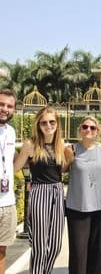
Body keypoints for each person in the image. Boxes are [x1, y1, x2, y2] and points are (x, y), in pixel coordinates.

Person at [14, 106, 69, 274]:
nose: (48, 125)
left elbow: (64, 169)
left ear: (57, 124)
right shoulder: (31, 144)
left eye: (52, 122)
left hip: (58, 192)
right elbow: (15, 167)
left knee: (55, 246)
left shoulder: (61, 145)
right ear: (38, 125)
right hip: (39, 192)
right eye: (43, 122)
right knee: (39, 245)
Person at [65, 116, 101, 274]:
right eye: (85, 127)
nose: (88, 130)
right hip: (78, 207)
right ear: (80, 129)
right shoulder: (71, 150)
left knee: (100, 251)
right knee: (79, 252)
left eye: (92, 128)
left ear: (97, 131)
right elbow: (60, 170)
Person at [0, 89, 17, 274]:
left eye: (9, 106)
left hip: (7, 201)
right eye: (1, 104)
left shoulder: (11, 132)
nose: (4, 109)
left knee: (2, 250)